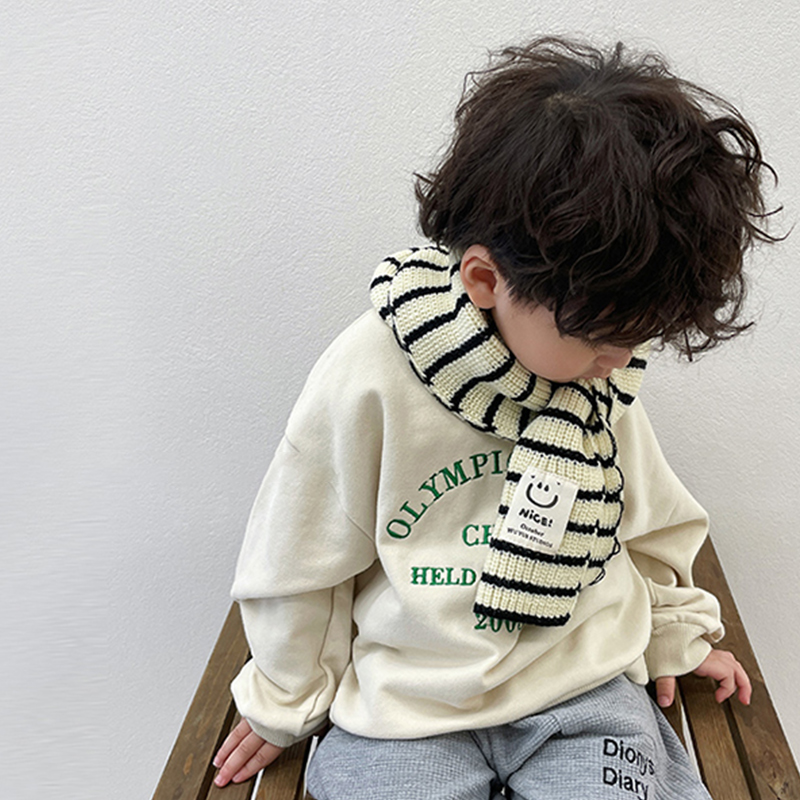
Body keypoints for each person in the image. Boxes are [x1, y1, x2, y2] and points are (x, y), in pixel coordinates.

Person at [212, 36, 778, 799]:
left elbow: (649, 518)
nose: (621, 360)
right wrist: (286, 698)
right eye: (602, 336)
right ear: (485, 278)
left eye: (638, 336)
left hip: (582, 686)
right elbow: (297, 556)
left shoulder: (598, 380)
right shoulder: (368, 378)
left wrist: (674, 628)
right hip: (410, 703)